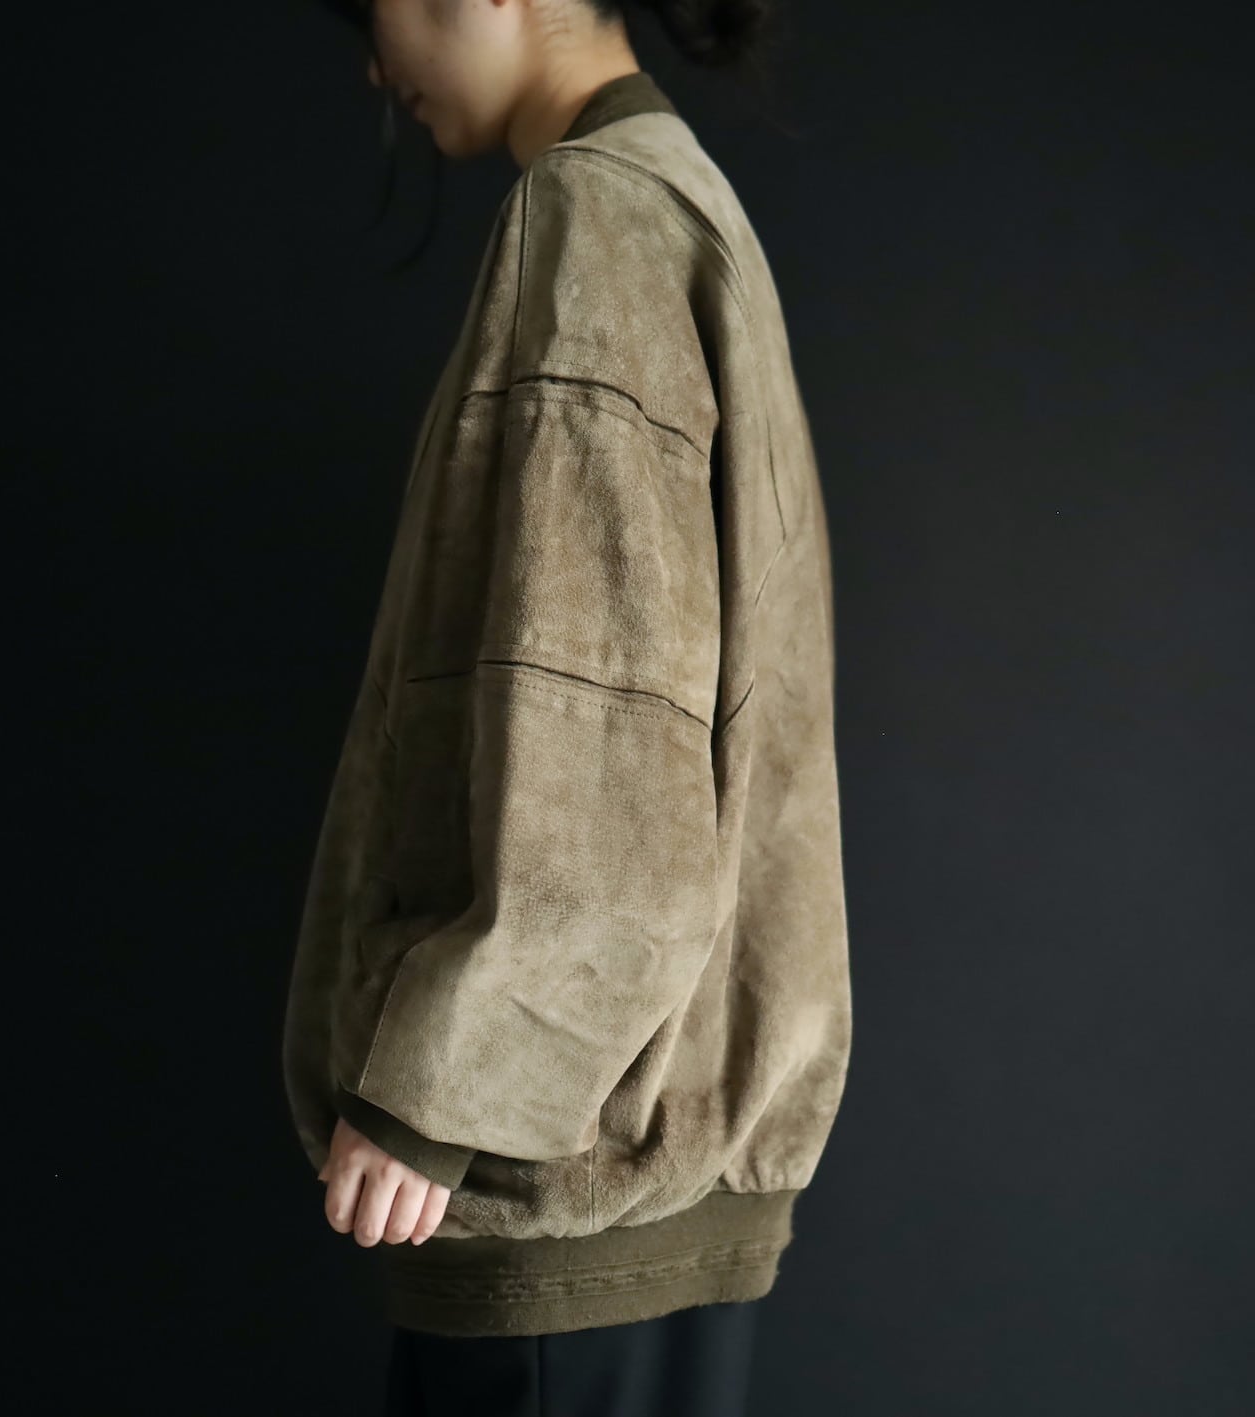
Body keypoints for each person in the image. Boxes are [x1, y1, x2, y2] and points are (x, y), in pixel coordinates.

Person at [281, 2, 853, 1412]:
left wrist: (447, 1089)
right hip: (633, 1184)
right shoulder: (675, 202)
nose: (374, 64)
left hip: (558, 1183)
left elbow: (607, 735)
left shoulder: (598, 217)